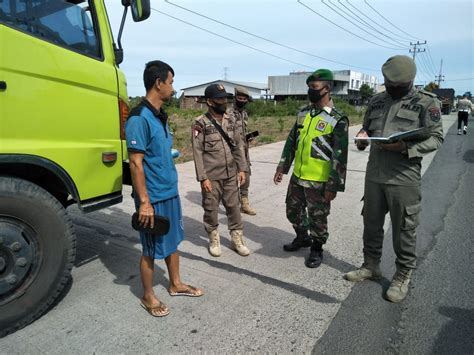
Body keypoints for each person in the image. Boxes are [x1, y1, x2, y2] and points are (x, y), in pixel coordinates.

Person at [345, 55, 444, 303]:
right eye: (389, 84)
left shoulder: (426, 102)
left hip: (404, 177)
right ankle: (371, 265)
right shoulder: (377, 100)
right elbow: (366, 128)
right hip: (375, 174)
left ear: (410, 82)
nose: (391, 89)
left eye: (397, 86)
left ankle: (402, 274)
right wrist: (362, 136)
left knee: (404, 229)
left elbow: (436, 137)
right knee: (371, 223)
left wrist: (406, 148)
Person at [125, 60, 203, 317]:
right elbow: (136, 163)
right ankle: (148, 296)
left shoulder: (160, 116)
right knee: (150, 249)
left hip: (169, 191)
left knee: (173, 241)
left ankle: (175, 283)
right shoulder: (139, 118)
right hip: (153, 197)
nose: (173, 87)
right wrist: (144, 202)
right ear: (158, 83)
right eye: (170, 82)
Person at [273, 69, 349, 269]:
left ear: (327, 88)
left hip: (319, 180)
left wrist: (334, 185)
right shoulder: (303, 113)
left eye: (314, 87)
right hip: (298, 176)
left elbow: (340, 156)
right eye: (309, 87)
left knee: (318, 217)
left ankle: (317, 248)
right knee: (292, 210)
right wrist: (283, 166)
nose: (310, 91)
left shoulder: (337, 119)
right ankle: (302, 237)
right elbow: (292, 141)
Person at [191, 84, 250, 257]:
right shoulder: (200, 123)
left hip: (231, 173)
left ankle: (237, 238)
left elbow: (238, 145)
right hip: (211, 176)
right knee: (211, 208)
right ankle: (213, 237)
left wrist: (242, 168)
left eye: (225, 98)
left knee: (233, 207)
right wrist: (203, 178)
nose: (224, 102)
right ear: (209, 101)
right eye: (220, 99)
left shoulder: (231, 120)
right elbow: (197, 152)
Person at [233, 86, 257, 215]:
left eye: (244, 99)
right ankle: (232, 204)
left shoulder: (244, 114)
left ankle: (244, 203)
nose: (242, 101)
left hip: (244, 150)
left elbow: (242, 132)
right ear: (235, 98)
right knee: (232, 179)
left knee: (246, 177)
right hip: (232, 151)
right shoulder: (228, 113)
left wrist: (248, 137)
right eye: (240, 98)